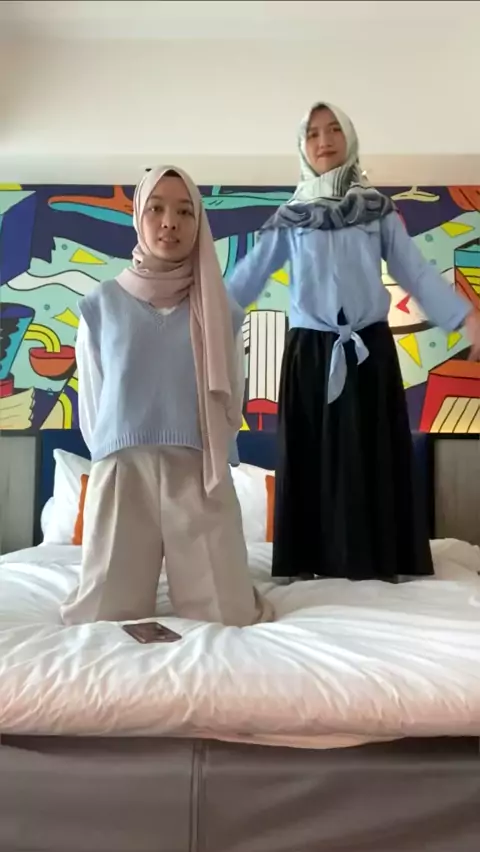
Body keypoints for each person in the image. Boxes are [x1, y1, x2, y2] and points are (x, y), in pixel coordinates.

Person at [227, 102, 480, 583]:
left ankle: (379, 561)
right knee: (312, 455)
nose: (324, 140)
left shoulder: (376, 211)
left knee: (370, 455)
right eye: (313, 133)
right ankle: (307, 560)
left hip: (369, 350)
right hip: (309, 353)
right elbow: (249, 275)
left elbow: (415, 271)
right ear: (302, 146)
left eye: (333, 129)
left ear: (349, 137)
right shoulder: (292, 217)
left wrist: (464, 315)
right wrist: (201, 319)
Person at [61, 165, 272, 627]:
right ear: (139, 217)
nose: (169, 222)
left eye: (184, 211)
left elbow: (232, 397)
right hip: (123, 469)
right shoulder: (101, 305)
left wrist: (211, 446)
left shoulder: (221, 310)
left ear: (199, 222)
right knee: (102, 614)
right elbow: (93, 402)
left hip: (201, 469)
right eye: (156, 209)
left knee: (229, 614)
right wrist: (116, 447)